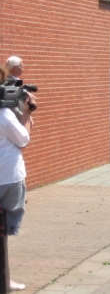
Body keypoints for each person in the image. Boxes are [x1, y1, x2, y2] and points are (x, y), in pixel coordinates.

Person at [0, 65, 35, 292]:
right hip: (8, 179)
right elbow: (23, 140)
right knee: (3, 233)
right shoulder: (4, 115)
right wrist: (27, 114)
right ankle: (4, 280)